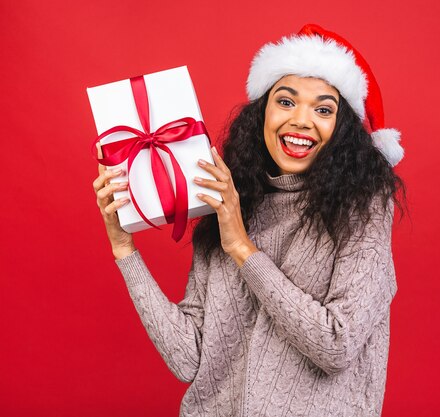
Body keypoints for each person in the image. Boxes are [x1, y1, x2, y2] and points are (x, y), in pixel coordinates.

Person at [93, 23, 406, 417]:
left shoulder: (364, 209)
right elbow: (190, 359)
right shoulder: (230, 200)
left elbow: (336, 345)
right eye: (286, 102)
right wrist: (125, 250)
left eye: (323, 109)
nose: (301, 120)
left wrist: (242, 247)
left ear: (343, 131)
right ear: (263, 111)